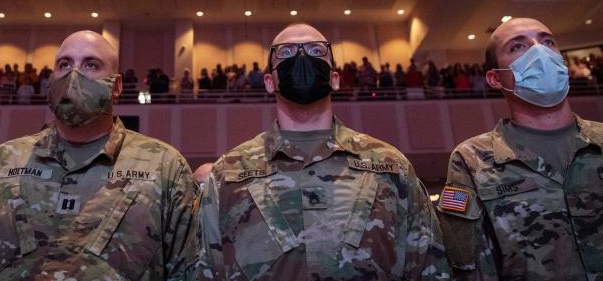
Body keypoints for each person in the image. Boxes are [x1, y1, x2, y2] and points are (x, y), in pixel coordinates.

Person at [436, 17, 603, 280]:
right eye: (518, 47)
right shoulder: (473, 160)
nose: (540, 51)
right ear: (495, 78)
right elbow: (472, 268)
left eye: (547, 41)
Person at [192, 23, 448, 280]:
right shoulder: (230, 172)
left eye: (316, 50)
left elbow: (429, 266)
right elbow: (205, 269)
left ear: (335, 78)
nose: (302, 57)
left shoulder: (391, 165)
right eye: (286, 52)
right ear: (269, 82)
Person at [0, 30, 198, 281]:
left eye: (91, 65)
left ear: (116, 86)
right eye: (64, 64)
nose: (73, 75)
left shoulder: (165, 167)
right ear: (51, 79)